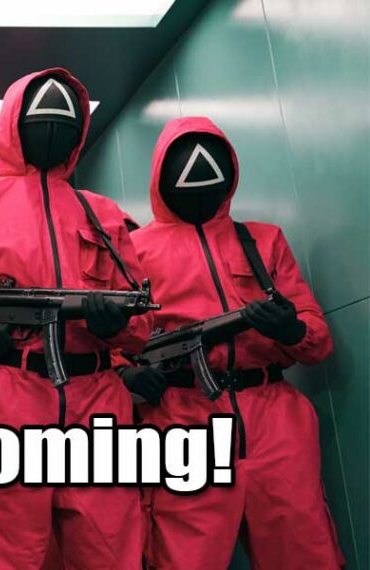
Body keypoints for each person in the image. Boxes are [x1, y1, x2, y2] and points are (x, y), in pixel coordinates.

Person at [0, 68, 151, 569]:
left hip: (97, 402)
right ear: (13, 125)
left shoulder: (103, 215)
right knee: (1, 554)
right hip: (7, 397)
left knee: (112, 552)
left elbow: (142, 326)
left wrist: (117, 326)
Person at [124, 116, 342, 569]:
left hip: (275, 417)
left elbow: (316, 338)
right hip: (182, 422)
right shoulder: (133, 251)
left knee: (304, 554)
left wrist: (290, 330)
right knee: (184, 559)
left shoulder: (263, 241)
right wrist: (126, 373)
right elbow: (111, 341)